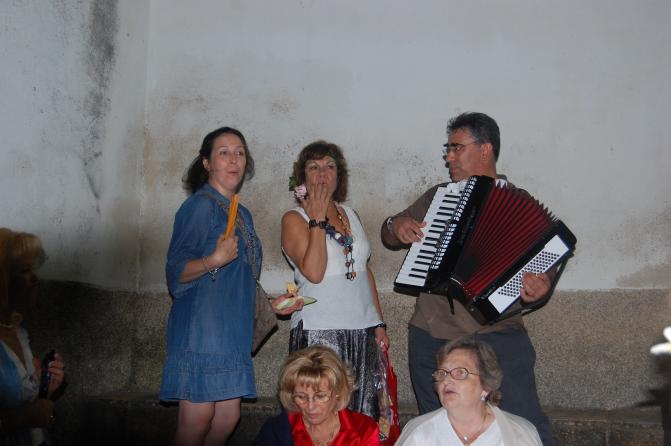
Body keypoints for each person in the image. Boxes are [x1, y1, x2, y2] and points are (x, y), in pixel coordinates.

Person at [381, 112, 556, 445]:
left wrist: (541, 286)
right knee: (437, 428)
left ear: (485, 149)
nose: (449, 157)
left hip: (497, 335)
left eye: (457, 148)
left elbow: (546, 263)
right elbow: (389, 233)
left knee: (524, 425)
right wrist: (395, 225)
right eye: (447, 149)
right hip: (431, 334)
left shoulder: (519, 203)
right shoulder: (438, 196)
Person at [160, 126, 276, 445]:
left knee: (227, 419)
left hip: (232, 331)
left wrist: (271, 302)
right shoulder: (199, 206)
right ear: (207, 163)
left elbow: (240, 276)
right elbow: (175, 270)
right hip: (202, 329)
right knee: (197, 419)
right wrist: (213, 259)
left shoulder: (242, 213)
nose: (233, 159)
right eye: (223, 153)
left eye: (240, 153)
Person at [277, 140, 389, 420]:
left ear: (339, 176)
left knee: (362, 416)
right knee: (322, 414)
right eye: (313, 167)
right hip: (320, 331)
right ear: (302, 177)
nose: (322, 174)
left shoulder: (350, 214)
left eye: (330, 166)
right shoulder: (294, 219)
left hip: (362, 330)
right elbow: (314, 273)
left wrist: (378, 322)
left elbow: (363, 270)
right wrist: (316, 220)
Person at [396, 338, 542, 445]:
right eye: (442, 373)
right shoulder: (420, 433)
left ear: (486, 385)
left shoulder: (518, 434)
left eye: (460, 372)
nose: (447, 380)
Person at [0, 228, 66, 446]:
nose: (35, 278)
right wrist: (22, 418)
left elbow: (31, 409)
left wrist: (46, 390)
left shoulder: (18, 332)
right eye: (24, 270)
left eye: (33, 269)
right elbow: (23, 416)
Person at [254, 345, 380, 445]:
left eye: (320, 396)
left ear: (338, 392)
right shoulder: (277, 431)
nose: (310, 406)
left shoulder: (363, 430)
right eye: (301, 397)